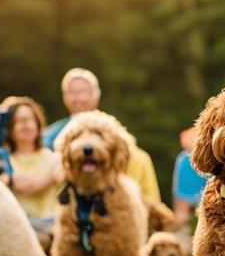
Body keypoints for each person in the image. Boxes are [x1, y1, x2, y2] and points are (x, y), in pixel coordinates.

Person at [41, 67, 161, 205]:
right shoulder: (50, 136)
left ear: (96, 95)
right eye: (72, 92)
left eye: (83, 92)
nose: (78, 98)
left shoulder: (112, 130)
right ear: (65, 97)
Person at [0, 96, 62, 247]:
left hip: (47, 227)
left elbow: (36, 185)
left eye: (29, 119)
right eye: (18, 121)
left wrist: (9, 180)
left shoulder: (54, 158)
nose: (24, 124)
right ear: (9, 128)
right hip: (11, 227)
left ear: (38, 124)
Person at [171, 126, 207, 230]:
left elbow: (181, 214)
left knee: (182, 216)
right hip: (193, 160)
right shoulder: (186, 160)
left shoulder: (184, 159)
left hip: (191, 158)